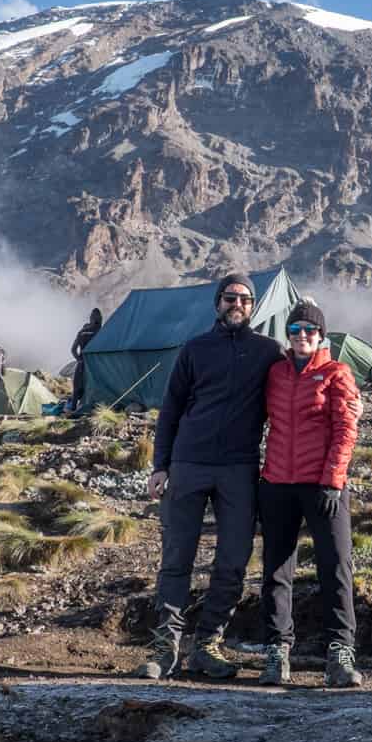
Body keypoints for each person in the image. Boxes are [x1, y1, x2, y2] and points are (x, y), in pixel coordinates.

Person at [141, 274, 286, 680]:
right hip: (188, 463)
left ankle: (207, 644)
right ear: (216, 303)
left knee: (233, 560)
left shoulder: (268, 352)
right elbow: (170, 409)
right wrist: (160, 465)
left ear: (254, 306)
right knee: (176, 557)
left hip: (239, 468)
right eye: (228, 298)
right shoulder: (195, 349)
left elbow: (295, 392)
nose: (236, 304)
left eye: (243, 298)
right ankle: (166, 646)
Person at [257, 299, 363, 688]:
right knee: (276, 571)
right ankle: (276, 651)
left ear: (321, 336)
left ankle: (340, 653)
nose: (302, 337)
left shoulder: (337, 373)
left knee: (335, 567)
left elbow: (345, 429)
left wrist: (333, 481)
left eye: (309, 331)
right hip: (277, 485)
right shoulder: (276, 374)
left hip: (323, 486)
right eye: (295, 330)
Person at [69, 308, 103, 406]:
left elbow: (73, 349)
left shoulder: (82, 332)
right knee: (93, 387)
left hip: (82, 361)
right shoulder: (101, 332)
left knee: (77, 388)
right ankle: (91, 407)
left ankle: (73, 409)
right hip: (95, 363)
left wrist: (79, 360)